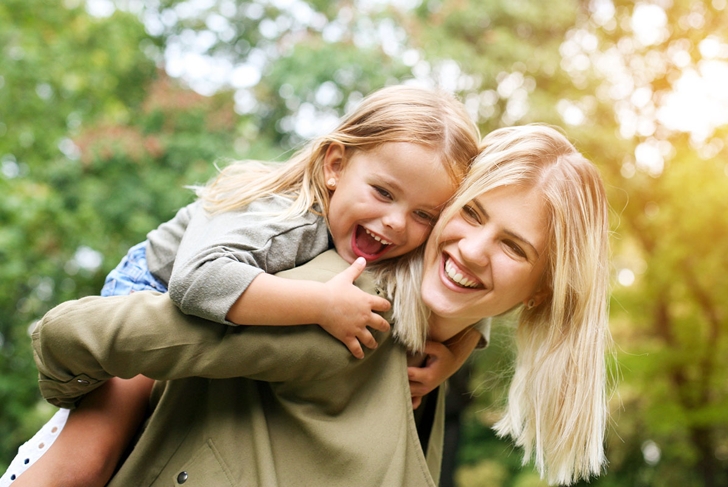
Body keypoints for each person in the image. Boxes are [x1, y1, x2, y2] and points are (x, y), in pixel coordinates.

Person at [24, 124, 612, 486]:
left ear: (542, 291)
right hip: (165, 279)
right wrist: (75, 385)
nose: (474, 249)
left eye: (513, 247)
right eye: (473, 214)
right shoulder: (343, 307)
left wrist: (460, 347)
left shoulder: (429, 350)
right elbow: (81, 332)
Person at [1, 84, 482, 486]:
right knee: (92, 456)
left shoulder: (390, 239)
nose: (396, 223)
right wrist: (320, 304)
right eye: (383, 192)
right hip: (156, 286)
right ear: (335, 166)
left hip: (223, 303)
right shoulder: (281, 220)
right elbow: (197, 281)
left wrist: (456, 352)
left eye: (424, 215)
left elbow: (472, 290)